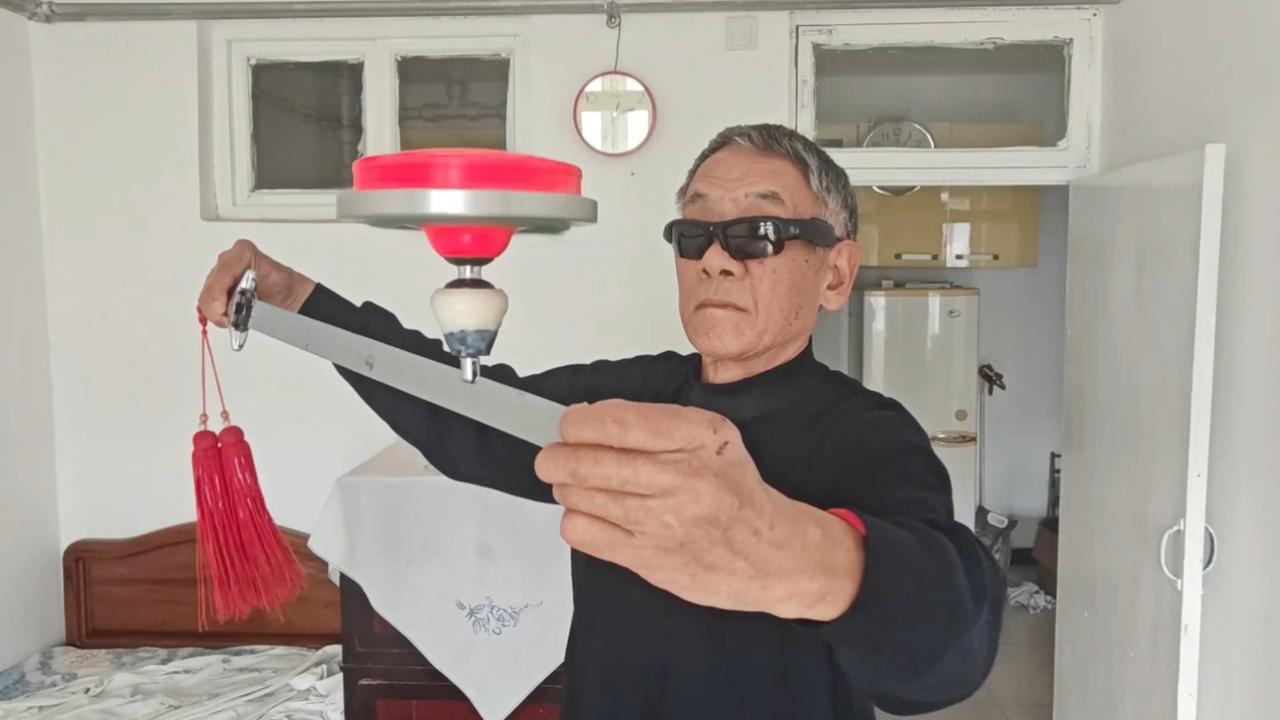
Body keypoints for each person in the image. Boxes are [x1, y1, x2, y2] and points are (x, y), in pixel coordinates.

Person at [198, 123, 1003, 720]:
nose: (715, 259)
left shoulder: (870, 435)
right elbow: (464, 415)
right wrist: (304, 307)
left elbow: (948, 647)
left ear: (835, 273)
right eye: (695, 233)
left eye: (757, 233)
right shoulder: (627, 400)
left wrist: (799, 558)